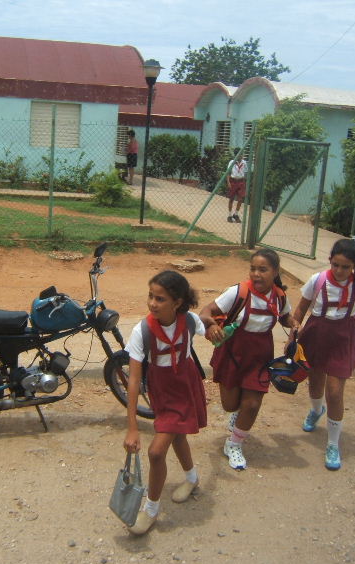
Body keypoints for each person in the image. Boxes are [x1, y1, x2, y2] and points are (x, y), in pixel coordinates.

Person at [123, 270, 207, 536]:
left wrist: (216, 327)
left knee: (157, 451)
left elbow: (208, 321)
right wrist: (132, 427)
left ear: (177, 302)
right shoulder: (142, 330)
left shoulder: (190, 321)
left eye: (160, 299)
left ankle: (150, 509)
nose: (152, 303)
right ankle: (192, 479)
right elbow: (134, 381)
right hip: (161, 390)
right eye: (151, 296)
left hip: (185, 386)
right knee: (177, 436)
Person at [199, 249, 297, 470]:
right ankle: (237, 415)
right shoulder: (238, 292)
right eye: (253, 269)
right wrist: (212, 324)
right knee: (230, 405)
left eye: (262, 270)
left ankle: (234, 444)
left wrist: (294, 323)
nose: (256, 274)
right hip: (232, 353)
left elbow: (285, 317)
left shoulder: (280, 297)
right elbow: (205, 312)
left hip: (260, 356)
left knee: (252, 404)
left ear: (275, 272)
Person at [289, 239, 355, 471]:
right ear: (330, 260)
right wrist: (293, 331)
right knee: (315, 383)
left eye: (345, 267)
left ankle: (332, 443)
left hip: (343, 338)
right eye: (336, 265)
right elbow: (300, 309)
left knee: (336, 392)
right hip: (316, 334)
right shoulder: (317, 281)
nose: (339, 271)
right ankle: (316, 410)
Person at [226, 155, 247, 223]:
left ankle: (236, 214)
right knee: (231, 199)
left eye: (242, 155)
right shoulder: (232, 162)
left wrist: (244, 182)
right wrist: (228, 182)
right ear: (236, 155)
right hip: (233, 181)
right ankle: (229, 215)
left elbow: (245, 172)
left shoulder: (244, 162)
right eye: (239, 155)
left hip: (241, 181)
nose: (241, 156)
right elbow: (228, 172)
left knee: (240, 199)